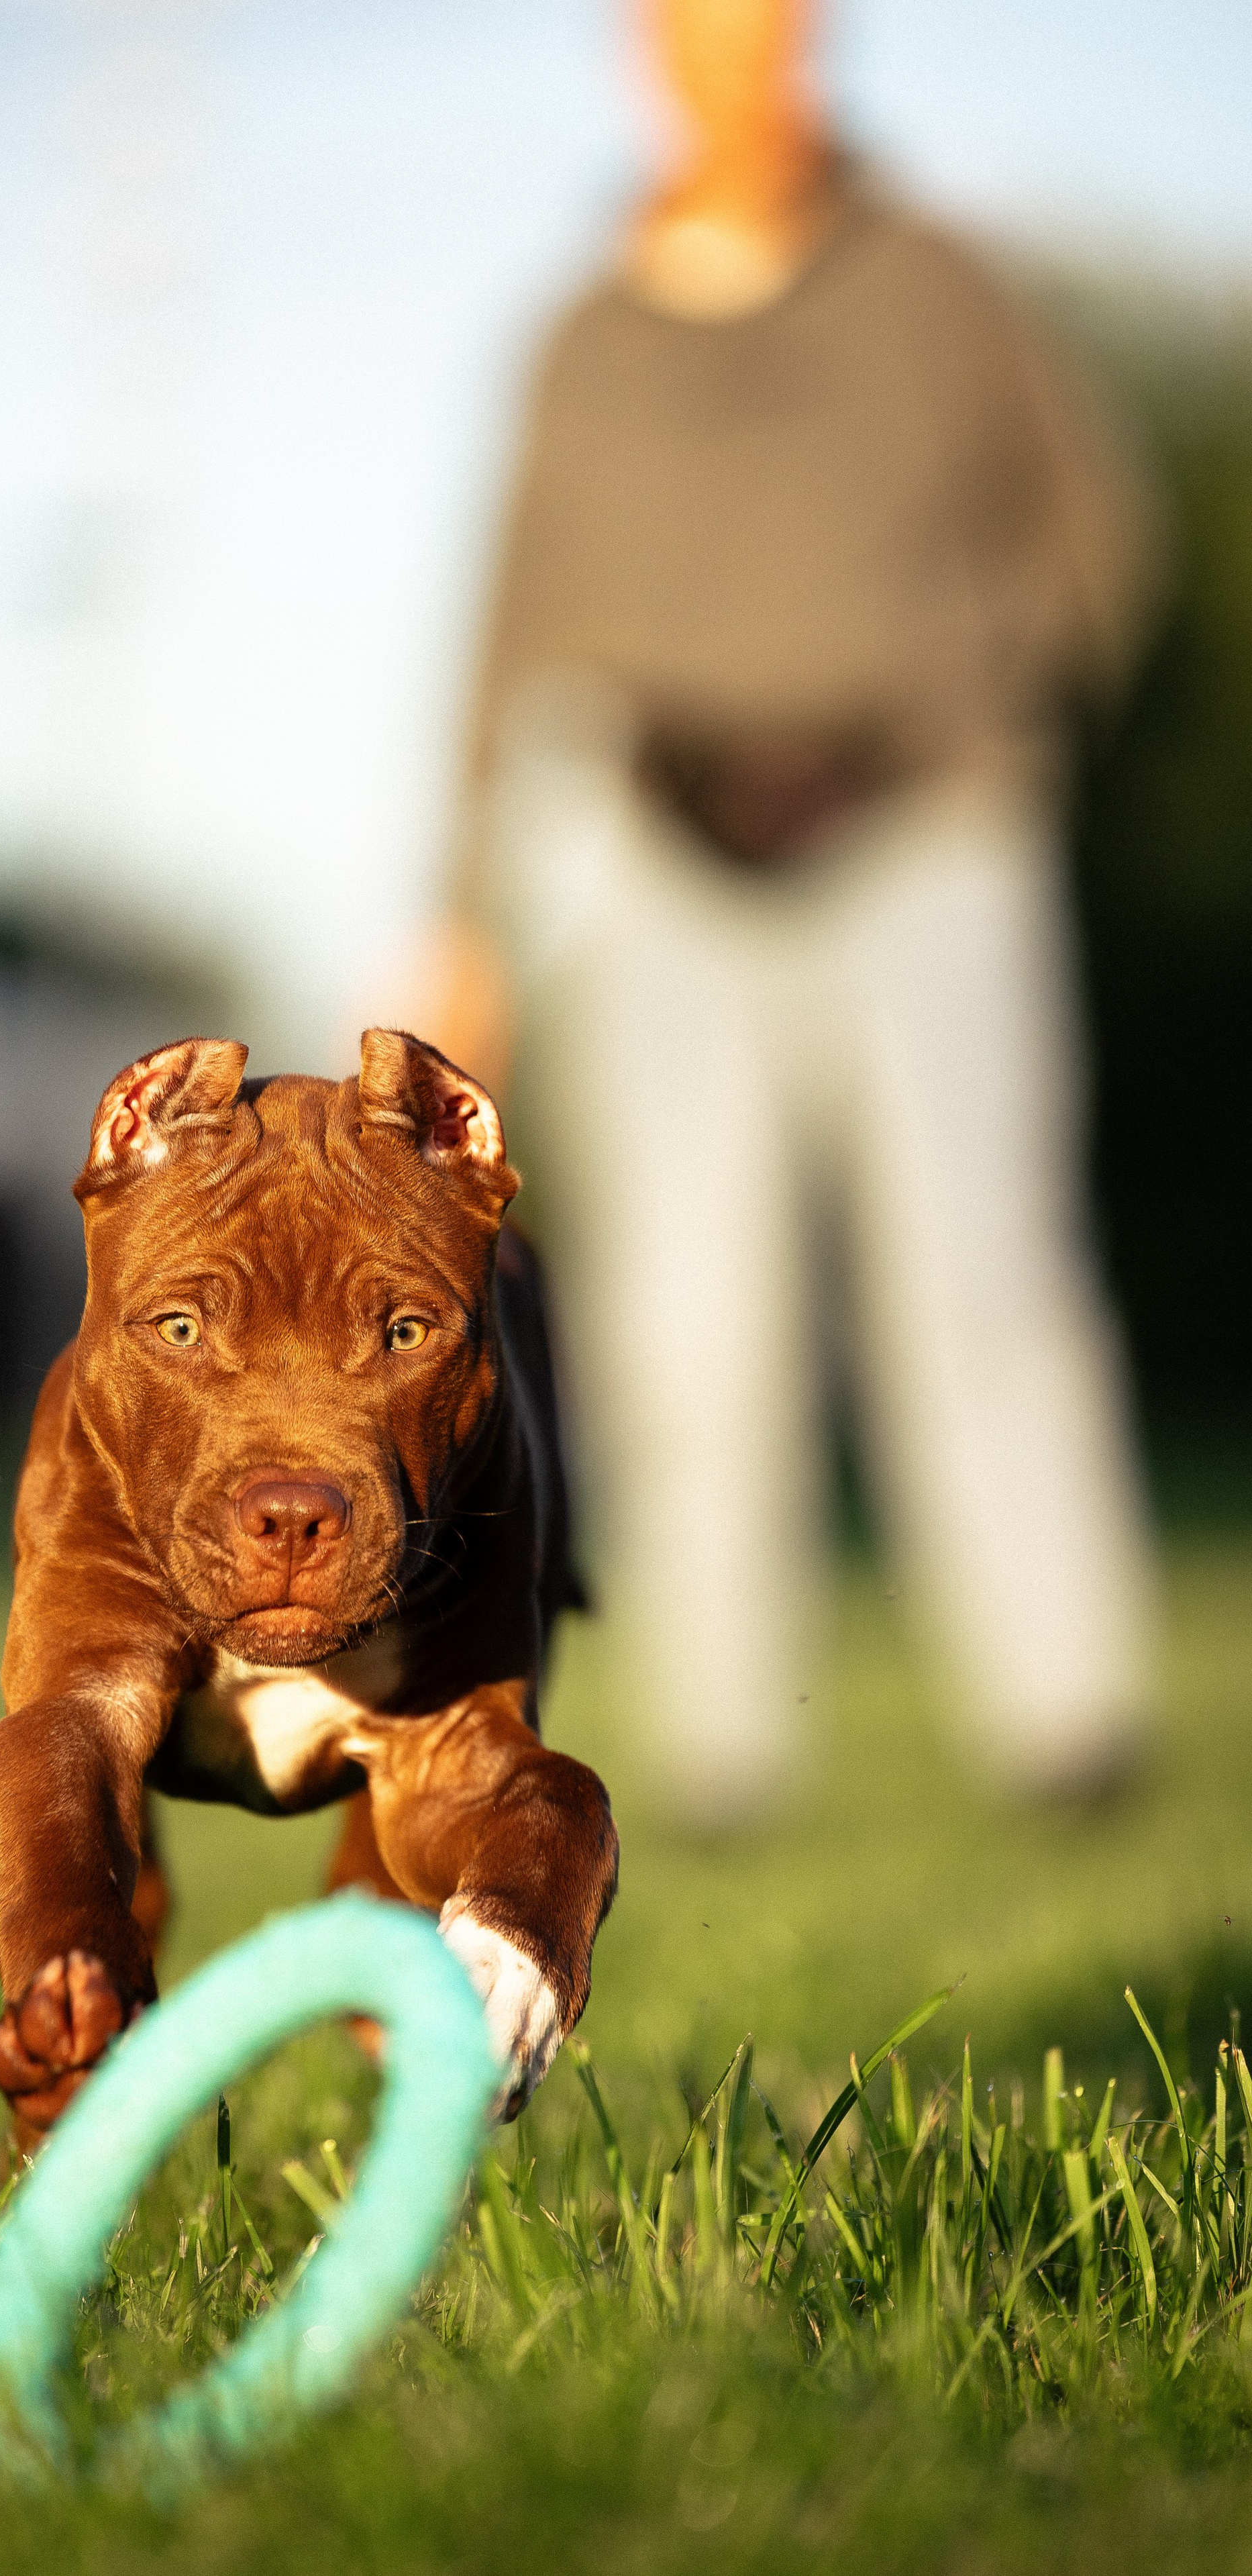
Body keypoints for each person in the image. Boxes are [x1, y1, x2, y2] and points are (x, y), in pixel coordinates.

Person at [430, 0, 1163, 1825]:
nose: (736, 60)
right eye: (698, 29)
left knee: (985, 1282)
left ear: (810, 42)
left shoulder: (940, 283)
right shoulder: (582, 339)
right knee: (685, 1318)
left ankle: (1071, 1724)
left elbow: (1101, 540)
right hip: (672, 870)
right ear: (645, 53)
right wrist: (456, 921)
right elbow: (507, 635)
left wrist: (975, 701)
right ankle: (723, 1754)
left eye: (768, 26)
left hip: (932, 835)